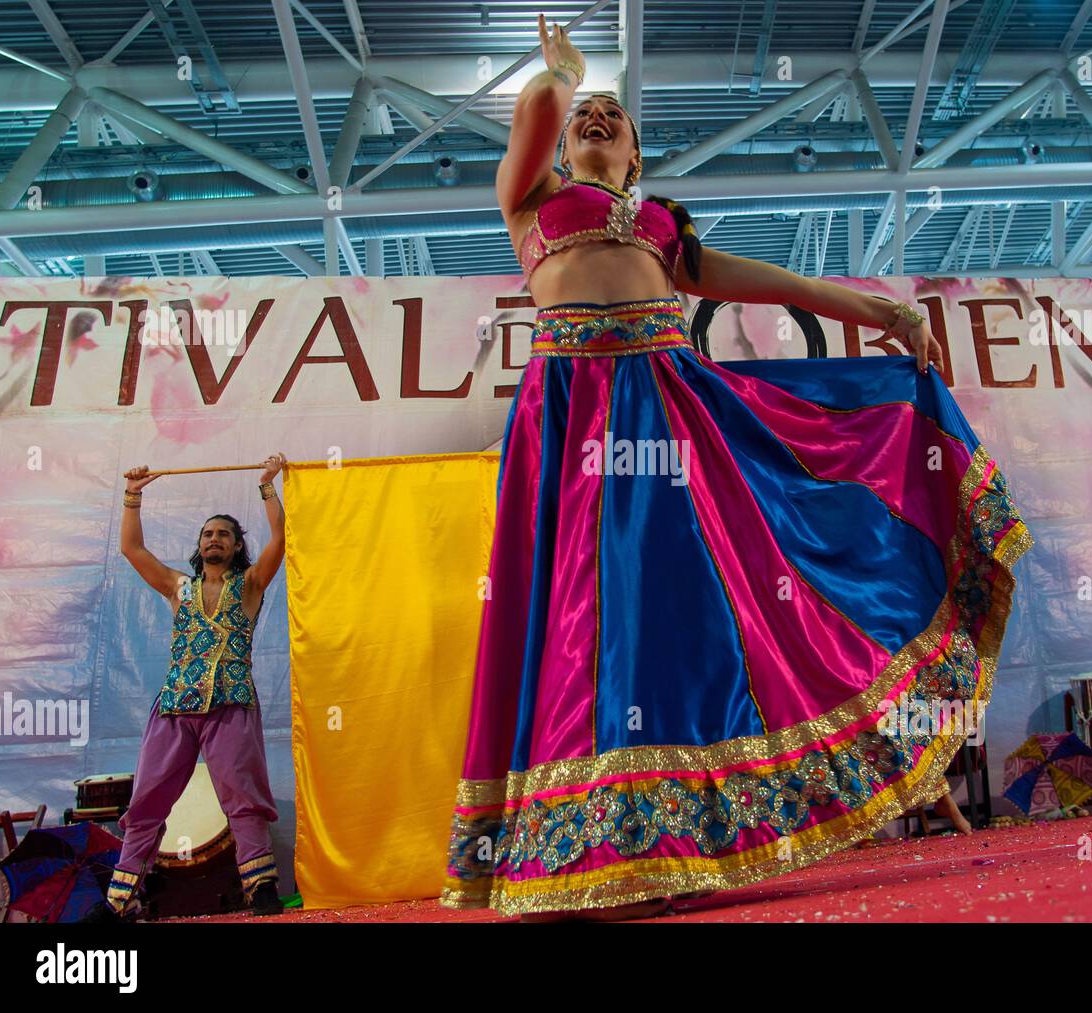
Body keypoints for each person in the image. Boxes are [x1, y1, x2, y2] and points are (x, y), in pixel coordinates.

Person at [439, 17, 1031, 920]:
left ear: (637, 159)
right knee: (578, 615)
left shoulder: (665, 225)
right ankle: (587, 840)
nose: (595, 118)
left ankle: (661, 837)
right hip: (572, 416)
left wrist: (873, 310)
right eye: (582, 116)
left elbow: (774, 284)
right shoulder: (533, 197)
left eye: (614, 117)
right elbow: (534, 116)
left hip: (671, 411)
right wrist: (560, 74)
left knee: (668, 613)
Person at [83, 454, 288, 921]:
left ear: (237, 546)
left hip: (231, 703)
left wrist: (267, 486)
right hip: (175, 705)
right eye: (207, 533)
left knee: (243, 796)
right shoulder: (179, 586)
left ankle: (261, 889)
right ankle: (119, 902)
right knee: (148, 799)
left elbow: (281, 538)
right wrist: (133, 494)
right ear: (199, 545)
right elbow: (134, 551)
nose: (214, 539)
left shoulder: (252, 584)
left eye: (224, 534)